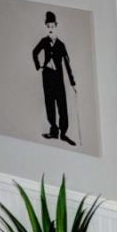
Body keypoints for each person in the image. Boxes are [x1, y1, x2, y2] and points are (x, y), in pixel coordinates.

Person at [32, 10, 76, 146]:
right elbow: (34, 52)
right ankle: (53, 131)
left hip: (58, 78)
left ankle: (63, 133)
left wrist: (72, 82)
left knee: (62, 105)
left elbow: (67, 64)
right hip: (47, 77)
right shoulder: (44, 41)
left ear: (56, 26)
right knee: (49, 104)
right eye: (48, 26)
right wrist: (39, 66)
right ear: (46, 27)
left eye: (52, 26)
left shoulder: (61, 45)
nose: (50, 29)